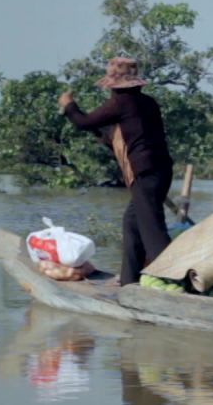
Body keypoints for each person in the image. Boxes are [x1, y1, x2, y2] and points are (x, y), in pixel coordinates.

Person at [59, 57, 173, 285]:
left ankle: (173, 280)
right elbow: (120, 137)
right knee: (131, 224)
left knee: (153, 232)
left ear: (115, 85)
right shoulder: (147, 103)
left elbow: (84, 122)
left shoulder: (121, 103)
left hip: (145, 173)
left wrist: (69, 104)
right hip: (160, 171)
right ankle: (129, 282)